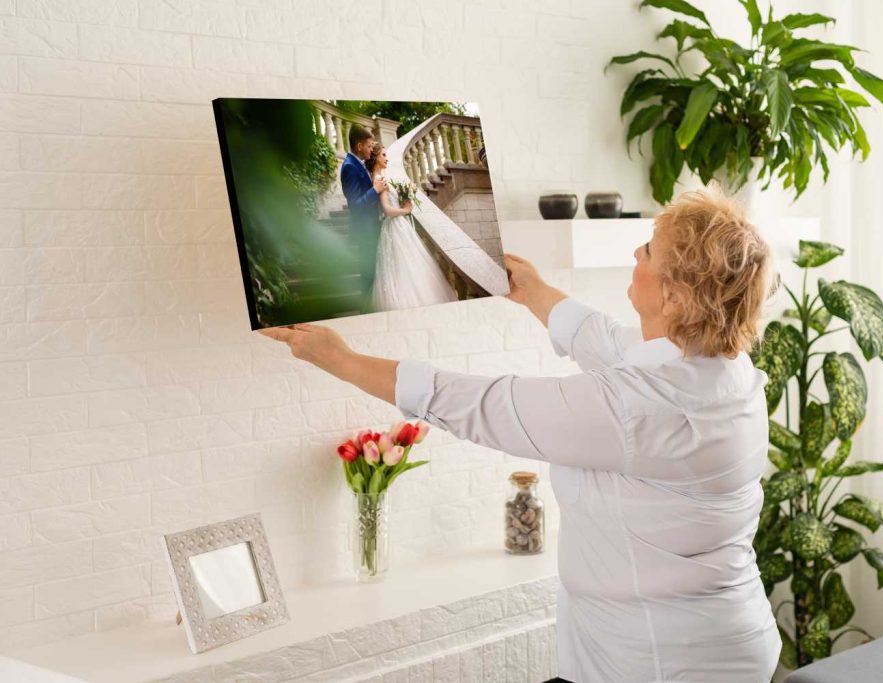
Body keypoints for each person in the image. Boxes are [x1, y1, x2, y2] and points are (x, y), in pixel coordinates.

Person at [258, 188, 782, 682]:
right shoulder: (719, 365)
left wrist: (340, 359)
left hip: (664, 660)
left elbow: (481, 405)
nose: (635, 251)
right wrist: (533, 292)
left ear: (674, 297)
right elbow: (605, 341)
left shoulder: (642, 407)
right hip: (714, 639)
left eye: (649, 249)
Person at [363, 142, 458, 310]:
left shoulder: (379, 178)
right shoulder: (379, 179)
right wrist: (405, 210)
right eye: (384, 155)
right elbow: (387, 210)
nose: (387, 158)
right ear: (376, 157)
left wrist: (403, 197)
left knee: (405, 268)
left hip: (397, 227)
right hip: (394, 226)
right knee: (401, 269)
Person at [339, 124, 388, 313]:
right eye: (369, 146)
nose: (371, 149)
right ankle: (366, 313)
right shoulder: (349, 168)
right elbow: (355, 206)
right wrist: (375, 191)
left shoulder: (357, 164)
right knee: (367, 277)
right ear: (359, 146)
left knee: (371, 276)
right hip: (365, 233)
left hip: (371, 229)